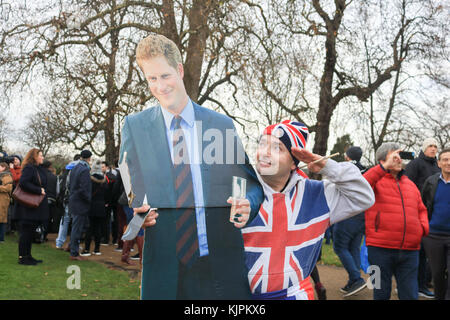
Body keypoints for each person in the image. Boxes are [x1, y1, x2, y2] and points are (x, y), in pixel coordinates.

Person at [124, 34, 263, 300]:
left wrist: (247, 203)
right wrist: (139, 209)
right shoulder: (135, 126)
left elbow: (250, 185)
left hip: (219, 267)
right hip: (164, 269)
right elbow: (133, 188)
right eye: (151, 78)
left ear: (179, 70)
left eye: (165, 76)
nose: (160, 86)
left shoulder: (220, 125)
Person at [240, 121, 375, 300]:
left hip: (295, 295)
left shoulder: (319, 194)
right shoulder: (238, 189)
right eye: (262, 144)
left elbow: (364, 196)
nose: (265, 153)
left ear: (294, 163)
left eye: (277, 148)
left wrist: (329, 167)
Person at [363, 142, 429, 300]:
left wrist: (422, 228)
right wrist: (384, 167)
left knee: (410, 295)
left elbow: (421, 209)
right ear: (382, 160)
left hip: (410, 251)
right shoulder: (373, 180)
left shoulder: (410, 184)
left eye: (400, 156)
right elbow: (361, 185)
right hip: (378, 249)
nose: (399, 159)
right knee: (379, 292)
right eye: (394, 155)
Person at [405, 137, 440, 298]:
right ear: (424, 148)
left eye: (435, 146)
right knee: (417, 253)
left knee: (427, 253)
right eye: (430, 146)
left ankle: (422, 283)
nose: (433, 149)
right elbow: (407, 186)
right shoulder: (415, 164)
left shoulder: (438, 166)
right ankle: (414, 285)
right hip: (416, 214)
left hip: (434, 216)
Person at [332, 146, 368, 297]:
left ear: (347, 157)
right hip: (363, 214)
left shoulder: (345, 168)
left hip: (347, 213)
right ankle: (353, 282)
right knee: (353, 248)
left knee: (340, 247)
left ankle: (356, 278)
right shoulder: (366, 170)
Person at [421, 148, 450, 300]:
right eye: (445, 159)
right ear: (439, 163)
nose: (448, 163)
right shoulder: (431, 182)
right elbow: (422, 205)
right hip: (433, 236)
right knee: (437, 274)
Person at [13, 148, 48, 265]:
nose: (43, 157)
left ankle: (28, 255)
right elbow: (23, 182)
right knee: (25, 233)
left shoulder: (37, 168)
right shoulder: (29, 168)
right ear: (34, 157)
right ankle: (22, 257)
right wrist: (38, 190)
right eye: (41, 155)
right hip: (27, 207)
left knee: (30, 232)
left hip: (33, 207)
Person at [68, 150, 92, 261]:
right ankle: (74, 252)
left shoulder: (74, 168)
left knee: (76, 227)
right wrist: (88, 199)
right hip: (80, 203)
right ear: (89, 158)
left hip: (73, 200)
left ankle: (72, 247)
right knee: (77, 228)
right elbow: (84, 189)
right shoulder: (84, 170)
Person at [81, 160, 107, 256]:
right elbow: (107, 193)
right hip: (101, 206)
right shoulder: (104, 180)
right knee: (98, 228)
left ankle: (87, 249)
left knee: (90, 228)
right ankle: (97, 249)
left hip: (92, 205)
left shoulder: (89, 179)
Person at [55, 157, 79, 249]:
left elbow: (58, 190)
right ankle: (73, 244)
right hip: (73, 200)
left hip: (64, 200)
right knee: (75, 222)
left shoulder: (63, 175)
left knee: (64, 221)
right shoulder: (76, 174)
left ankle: (59, 243)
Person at [0, 162, 13, 242]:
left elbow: (8, 188)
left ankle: (1, 238)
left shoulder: (7, 176)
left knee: (2, 219)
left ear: (4, 167)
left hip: (3, 200)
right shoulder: (1, 176)